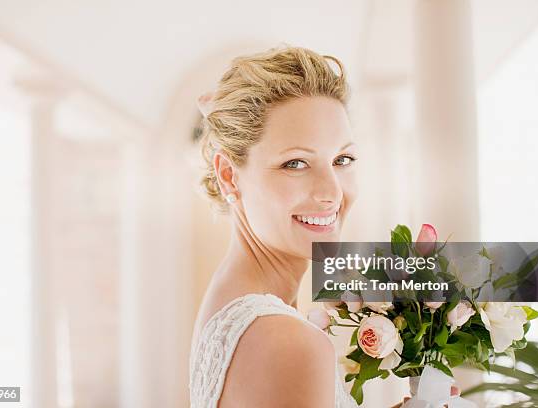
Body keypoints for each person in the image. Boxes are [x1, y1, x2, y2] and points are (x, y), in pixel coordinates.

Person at [188, 46, 457, 407]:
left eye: (342, 159)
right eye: (295, 164)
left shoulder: (232, 305)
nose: (332, 192)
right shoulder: (288, 341)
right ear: (228, 176)